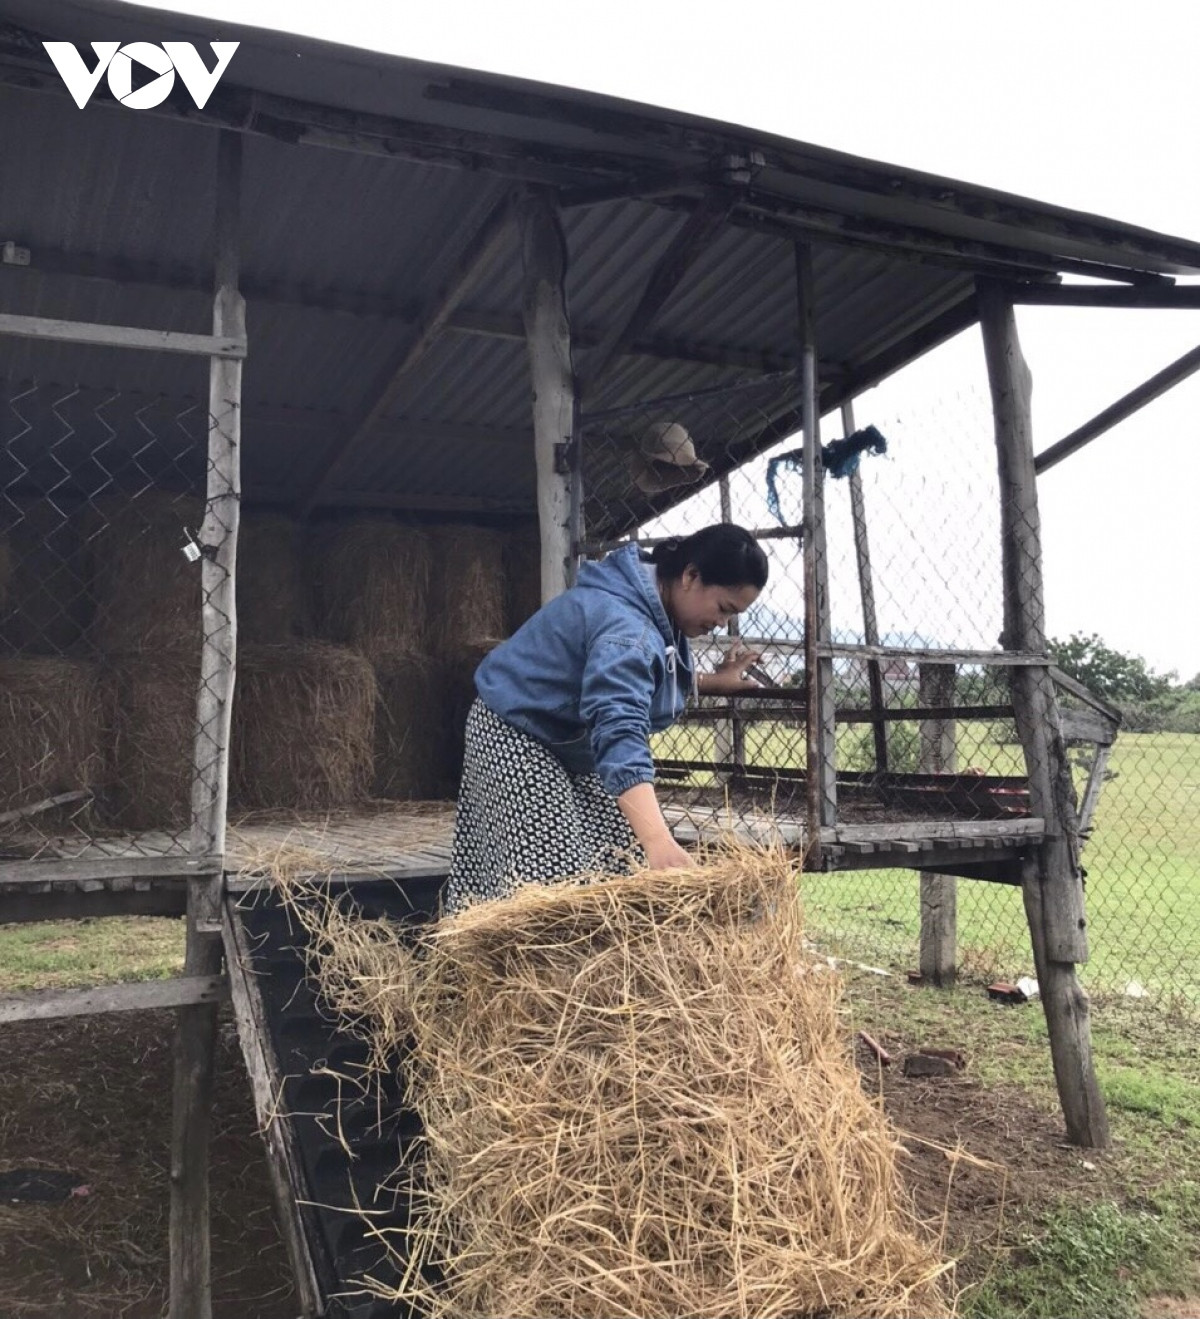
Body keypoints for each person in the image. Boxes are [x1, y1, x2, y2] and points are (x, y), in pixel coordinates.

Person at [444, 523, 769, 914]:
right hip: (515, 732)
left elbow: (638, 677)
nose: (721, 624)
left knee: (617, 860)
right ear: (691, 575)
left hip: (565, 739)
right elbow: (619, 728)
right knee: (554, 887)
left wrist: (711, 682)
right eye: (723, 609)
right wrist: (659, 841)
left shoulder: (655, 606)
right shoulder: (627, 628)